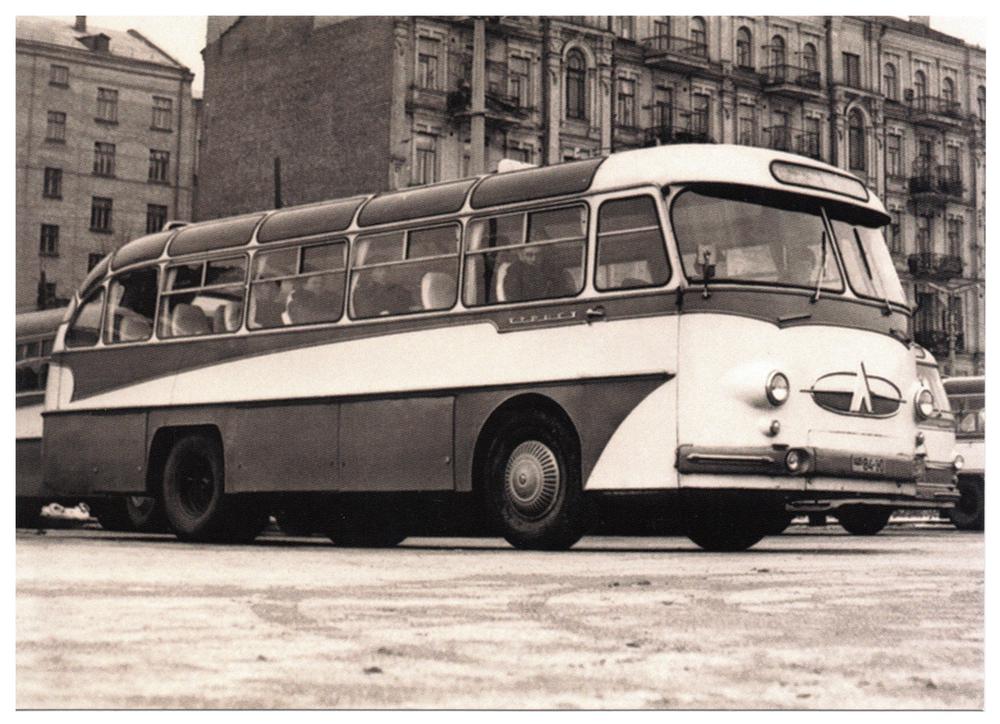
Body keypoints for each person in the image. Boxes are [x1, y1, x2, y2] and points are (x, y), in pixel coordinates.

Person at [502, 245, 575, 302]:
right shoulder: (514, 272)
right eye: (529, 255)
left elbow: (566, 292)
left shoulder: (555, 270)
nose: (534, 259)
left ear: (543, 255)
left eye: (538, 254)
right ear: (522, 256)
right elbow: (512, 297)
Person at [352, 265, 417, 318]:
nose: (384, 272)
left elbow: (410, 305)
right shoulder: (365, 291)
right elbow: (366, 312)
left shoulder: (398, 288)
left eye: (386, 269)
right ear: (370, 273)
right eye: (379, 270)